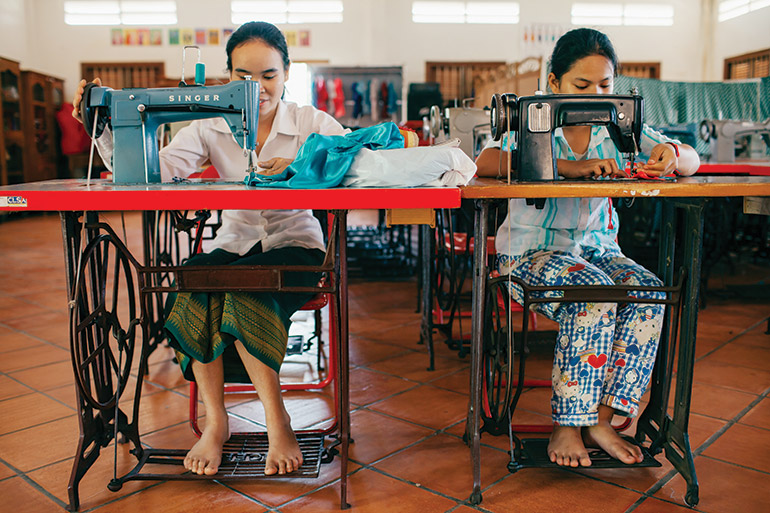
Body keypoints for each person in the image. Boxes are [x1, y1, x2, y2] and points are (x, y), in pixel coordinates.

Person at [72, 21, 349, 477]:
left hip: (295, 244)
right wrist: (103, 129)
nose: (257, 88)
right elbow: (150, 170)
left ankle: (276, 419)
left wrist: (303, 165)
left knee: (243, 291)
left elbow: (358, 162)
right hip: (234, 242)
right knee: (192, 285)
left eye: (268, 76)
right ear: (226, 78)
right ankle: (216, 423)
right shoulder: (209, 126)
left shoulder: (310, 123)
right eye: (244, 77)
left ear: (288, 72)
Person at [475, 28, 699, 468]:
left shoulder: (619, 130)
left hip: (597, 252)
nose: (596, 95)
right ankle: (567, 424)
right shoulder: (533, 125)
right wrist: (567, 168)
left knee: (649, 292)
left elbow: (693, 159)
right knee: (592, 293)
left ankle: (601, 418)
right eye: (582, 86)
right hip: (530, 256)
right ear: (554, 84)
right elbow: (486, 162)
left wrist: (673, 153)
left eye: (605, 86)